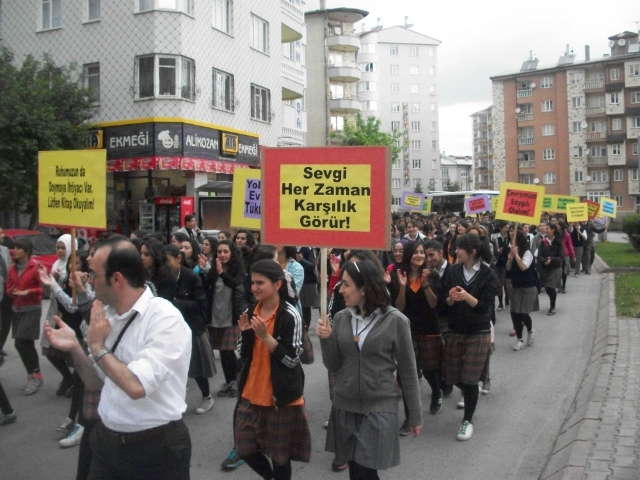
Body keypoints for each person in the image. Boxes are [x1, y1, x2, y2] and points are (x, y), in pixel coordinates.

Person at [45, 238, 193, 480]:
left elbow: (136, 386)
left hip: (154, 450)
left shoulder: (164, 318)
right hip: (106, 443)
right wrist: (75, 347)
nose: (88, 280)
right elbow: (95, 383)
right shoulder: (107, 313)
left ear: (116, 279)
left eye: (93, 274)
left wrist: (97, 347)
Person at [317, 260, 422, 479]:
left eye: (346, 284)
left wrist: (415, 415)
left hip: (379, 406)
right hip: (345, 405)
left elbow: (409, 371)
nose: (340, 289)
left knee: (366, 469)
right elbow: (334, 365)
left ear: (363, 288)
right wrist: (326, 340)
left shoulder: (396, 321)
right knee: (355, 470)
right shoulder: (340, 318)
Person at [234, 259, 311, 480]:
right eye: (252, 282)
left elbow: (292, 360)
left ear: (277, 285)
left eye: (260, 282)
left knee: (280, 457)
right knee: (244, 448)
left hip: (280, 397)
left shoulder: (290, 315)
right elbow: (242, 353)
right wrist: (248, 334)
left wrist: (266, 338)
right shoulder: (251, 311)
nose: (254, 287)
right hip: (251, 392)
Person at [443, 233, 499, 441]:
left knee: (469, 378)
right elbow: (443, 303)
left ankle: (467, 420)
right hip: (455, 330)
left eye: (459, 248)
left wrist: (466, 297)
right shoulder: (453, 271)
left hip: (478, 332)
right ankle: (469, 392)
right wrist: (450, 299)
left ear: (472, 252)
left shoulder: (488, 275)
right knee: (453, 377)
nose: (455, 251)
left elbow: (485, 308)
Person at [393, 241, 443, 427]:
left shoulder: (431, 274)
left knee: (429, 370)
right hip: (407, 330)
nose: (420, 256)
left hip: (429, 329)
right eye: (416, 252)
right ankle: (410, 417)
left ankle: (436, 392)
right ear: (407, 255)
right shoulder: (398, 274)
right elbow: (399, 307)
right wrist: (402, 287)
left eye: (422, 252)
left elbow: (433, 304)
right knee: (406, 374)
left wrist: (426, 284)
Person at [165, 245, 216, 415]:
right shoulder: (163, 277)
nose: (164, 265)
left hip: (192, 326)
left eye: (167, 260)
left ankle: (207, 396)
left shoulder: (191, 277)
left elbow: (201, 304)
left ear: (178, 259)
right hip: (169, 328)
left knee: (197, 365)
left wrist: (176, 303)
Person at [205, 240, 246, 398]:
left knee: (229, 351)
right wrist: (205, 271)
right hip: (216, 315)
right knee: (223, 352)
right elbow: (206, 286)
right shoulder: (213, 269)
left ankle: (237, 381)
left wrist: (222, 273)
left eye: (225, 252)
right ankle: (229, 381)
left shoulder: (238, 270)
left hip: (232, 316)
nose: (222, 255)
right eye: (219, 252)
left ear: (232, 253)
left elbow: (237, 284)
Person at [6, 237, 44, 395]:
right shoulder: (12, 269)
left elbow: (43, 289)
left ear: (27, 251)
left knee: (22, 342)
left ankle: (35, 375)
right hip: (17, 309)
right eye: (14, 248)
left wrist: (29, 291)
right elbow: (8, 287)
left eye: (19, 248)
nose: (15, 251)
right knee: (24, 343)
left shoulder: (35, 267)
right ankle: (34, 375)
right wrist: (11, 291)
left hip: (32, 308)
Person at [506, 230, 539, 351]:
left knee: (523, 313)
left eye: (513, 236)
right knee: (515, 313)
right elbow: (508, 268)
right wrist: (510, 259)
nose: (511, 239)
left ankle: (530, 330)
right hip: (515, 286)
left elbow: (524, 267)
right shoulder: (511, 250)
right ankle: (520, 339)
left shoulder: (527, 252)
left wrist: (516, 255)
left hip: (527, 286)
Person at [538, 222, 564, 315]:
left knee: (550, 286)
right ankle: (552, 302)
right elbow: (539, 255)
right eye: (545, 228)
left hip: (556, 268)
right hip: (545, 268)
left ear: (553, 230)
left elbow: (561, 257)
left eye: (547, 228)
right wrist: (544, 260)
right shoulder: (543, 242)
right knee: (547, 288)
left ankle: (552, 307)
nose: (546, 230)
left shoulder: (558, 242)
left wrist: (552, 259)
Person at [0, 227, 12, 357]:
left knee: (6, 320)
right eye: (1, 233)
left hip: (7, 292)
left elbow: (9, 269)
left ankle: (1, 345)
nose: (3, 235)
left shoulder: (4, 250)